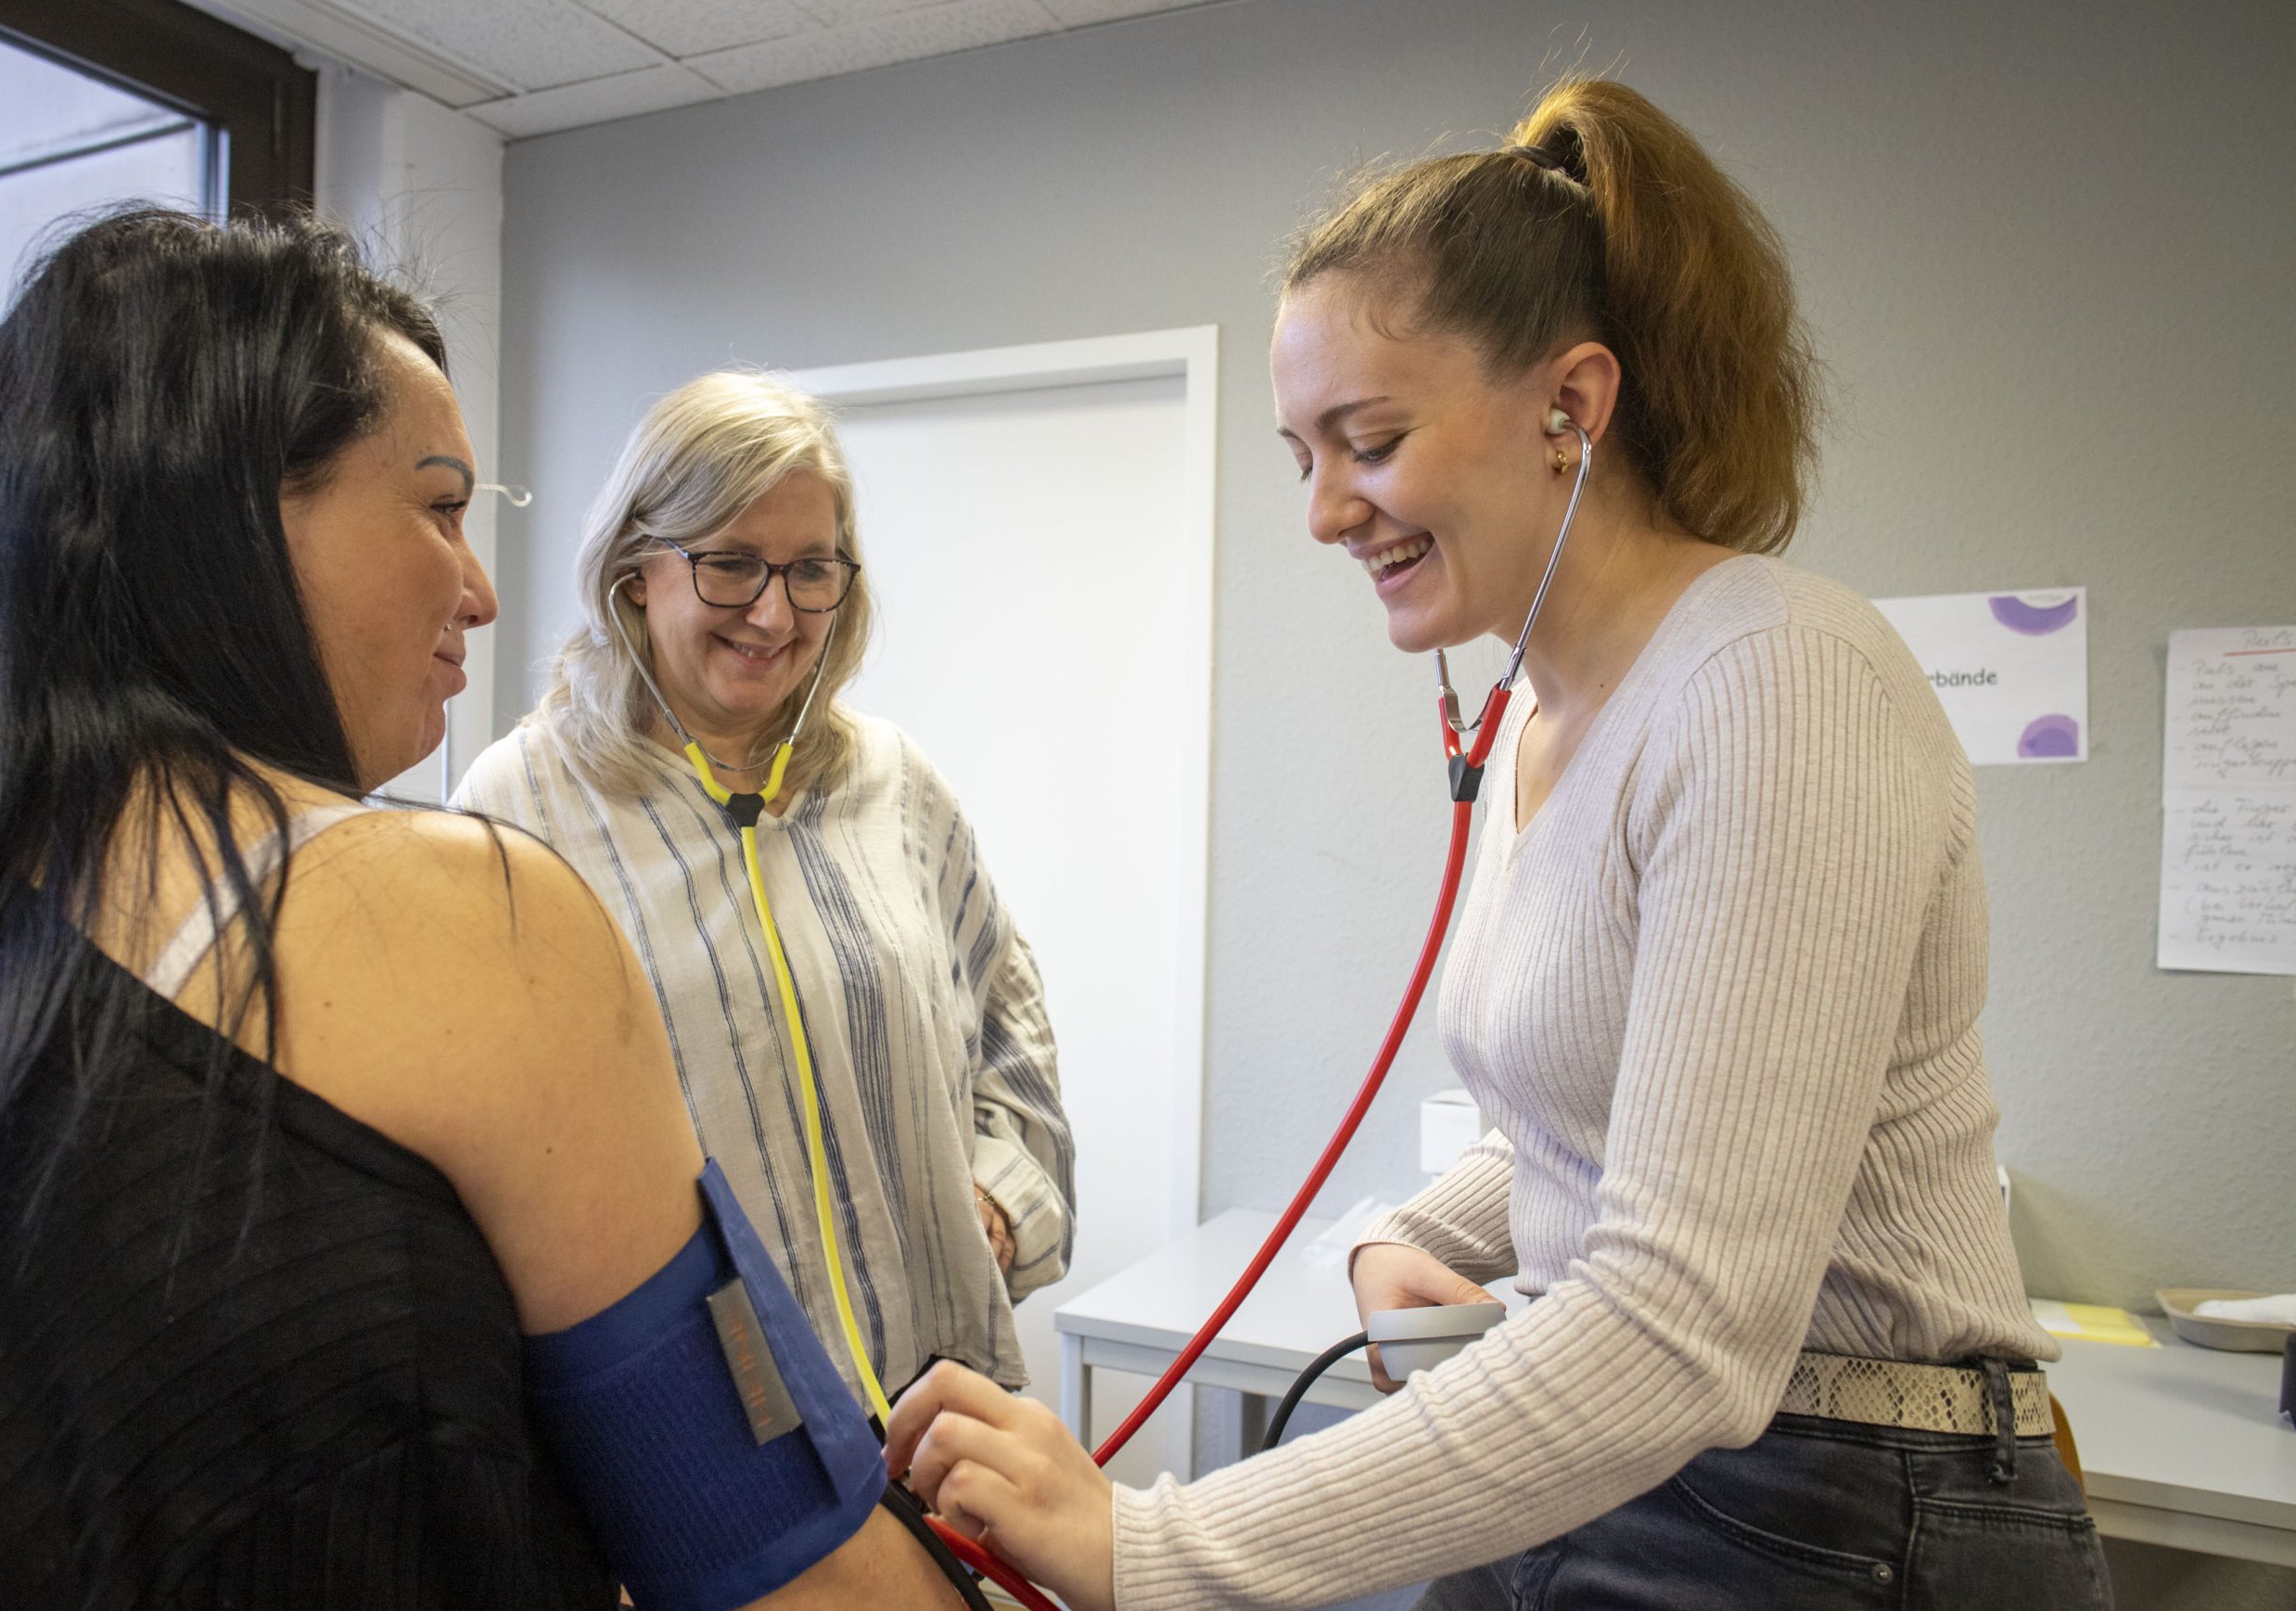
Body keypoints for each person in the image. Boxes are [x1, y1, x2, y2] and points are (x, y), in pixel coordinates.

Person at [880, 78, 2112, 1611]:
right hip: (1649, 1466)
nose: (1327, 510)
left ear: (1570, 408)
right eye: (1299, 455)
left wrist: (1160, 1546)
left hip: (1846, 1497)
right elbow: (1573, 1119)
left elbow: (1679, 1326)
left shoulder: (1778, 681)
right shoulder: (1545, 716)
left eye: (1371, 439)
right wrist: (1395, 1231)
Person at [0, 210, 972, 1611]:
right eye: (435, 503)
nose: (477, 587)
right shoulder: (464, 895)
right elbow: (775, 1553)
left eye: (814, 569)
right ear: (226, 511)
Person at [453, 372, 1074, 1405]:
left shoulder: (892, 782)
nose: (775, 612)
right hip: (702, 1444)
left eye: (811, 570)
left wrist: (1001, 1199)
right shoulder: (519, 809)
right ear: (635, 570)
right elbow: (485, 1158)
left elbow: (1009, 1024)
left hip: (942, 1411)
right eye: (732, 564)